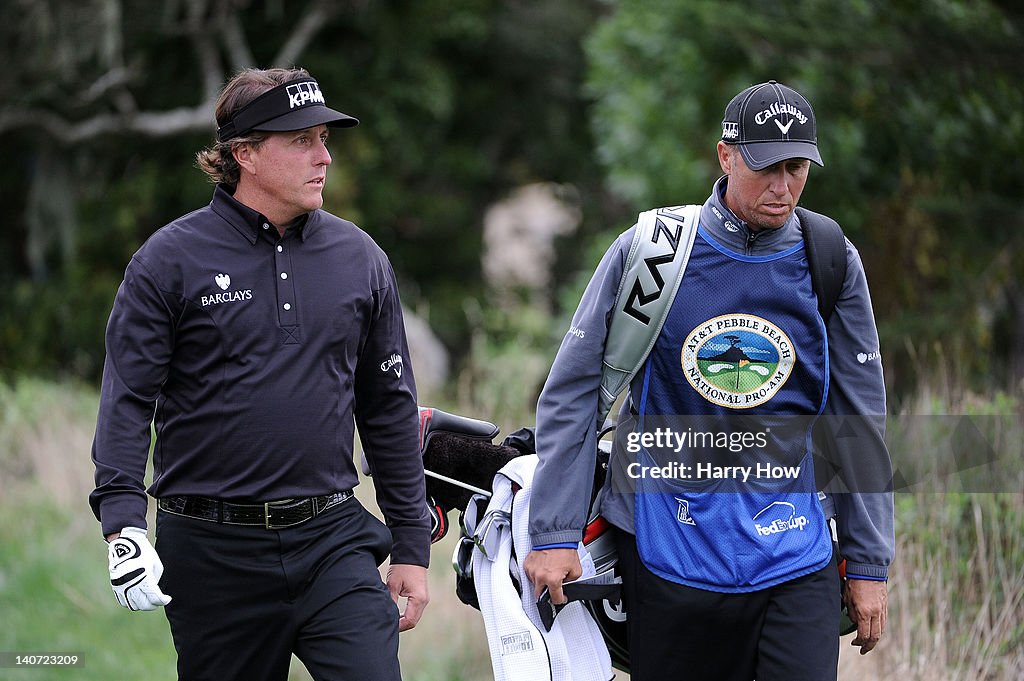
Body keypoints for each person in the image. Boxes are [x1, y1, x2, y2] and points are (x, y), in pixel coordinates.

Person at [524, 80, 893, 681]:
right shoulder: (653, 253)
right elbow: (572, 395)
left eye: (796, 168)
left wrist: (869, 561)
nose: (782, 187)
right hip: (668, 551)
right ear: (725, 156)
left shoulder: (829, 257)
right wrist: (555, 531)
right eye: (765, 166)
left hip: (795, 557)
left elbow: (859, 418)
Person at [89, 67, 430, 681]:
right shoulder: (167, 260)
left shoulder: (361, 259)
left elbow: (388, 406)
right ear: (243, 154)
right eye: (301, 140)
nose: (323, 157)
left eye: (325, 139)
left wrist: (410, 542)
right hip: (211, 555)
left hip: (333, 540)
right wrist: (123, 524)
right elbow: (127, 401)